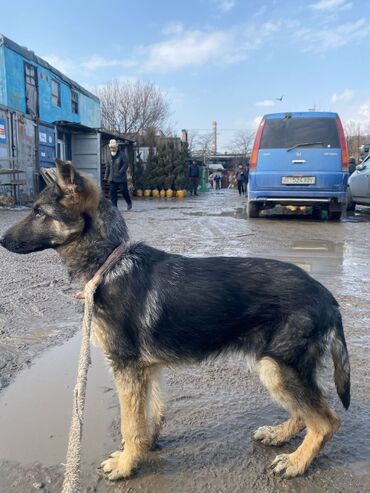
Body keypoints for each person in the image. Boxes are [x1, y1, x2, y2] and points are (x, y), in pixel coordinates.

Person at [104, 139, 132, 210]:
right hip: (112, 178)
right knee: (112, 193)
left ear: (116, 147)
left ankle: (129, 202)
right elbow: (108, 167)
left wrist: (121, 171)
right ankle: (114, 207)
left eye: (113, 147)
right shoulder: (108, 156)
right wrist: (106, 176)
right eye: (111, 147)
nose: (112, 149)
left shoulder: (122, 155)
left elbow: (126, 164)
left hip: (121, 178)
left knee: (124, 191)